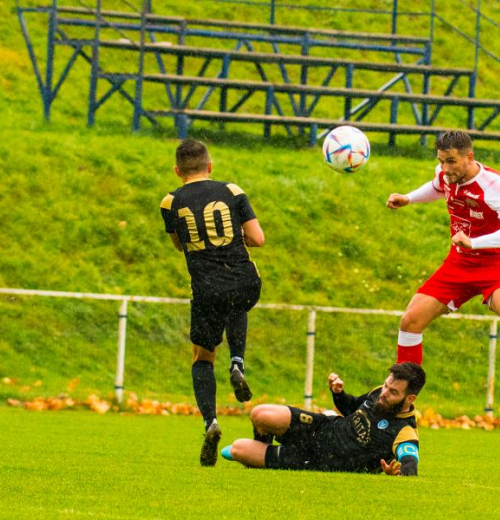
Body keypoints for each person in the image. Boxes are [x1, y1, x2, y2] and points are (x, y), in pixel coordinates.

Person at [385, 130, 500, 422]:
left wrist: (475, 242)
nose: (446, 169)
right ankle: (402, 399)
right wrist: (408, 199)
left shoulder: (495, 185)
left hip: (495, 264)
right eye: (441, 161)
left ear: (469, 157)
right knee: (410, 321)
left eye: (451, 162)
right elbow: (437, 186)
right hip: (458, 265)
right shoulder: (446, 174)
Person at [160, 139, 265, 466]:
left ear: (178, 171)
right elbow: (258, 239)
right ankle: (237, 362)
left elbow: (180, 244)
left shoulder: (170, 201)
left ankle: (211, 422)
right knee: (238, 301)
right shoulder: (232, 191)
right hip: (244, 279)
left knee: (202, 357)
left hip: (206, 288)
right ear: (210, 166)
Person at [222, 362, 426, 476]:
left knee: (238, 448)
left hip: (323, 461)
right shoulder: (377, 393)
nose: (384, 393)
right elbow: (352, 407)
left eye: (393, 392)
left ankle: (261, 456)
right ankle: (263, 454)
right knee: (260, 414)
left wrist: (395, 473)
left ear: (410, 398)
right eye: (385, 385)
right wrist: (338, 393)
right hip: (324, 428)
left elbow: (410, 466)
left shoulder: (405, 432)